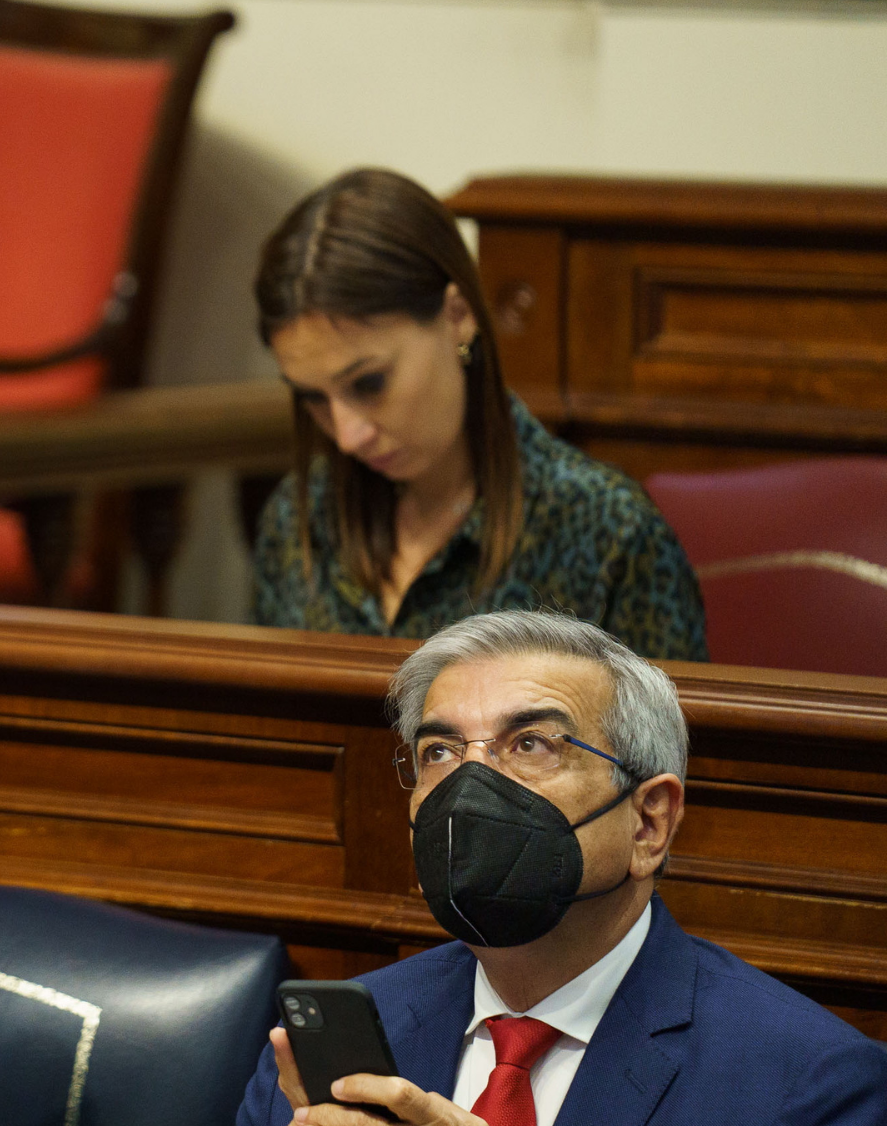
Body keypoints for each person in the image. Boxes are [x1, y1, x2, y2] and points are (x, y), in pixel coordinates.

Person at [235, 610, 887, 1126]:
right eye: (439, 751)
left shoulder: (808, 1086)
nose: (470, 786)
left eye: (531, 744)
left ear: (649, 823)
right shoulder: (318, 1061)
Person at [251, 169, 706, 662]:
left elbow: (660, 740)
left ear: (458, 315)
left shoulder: (609, 535)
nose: (347, 436)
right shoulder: (301, 517)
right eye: (314, 399)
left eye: (369, 383)